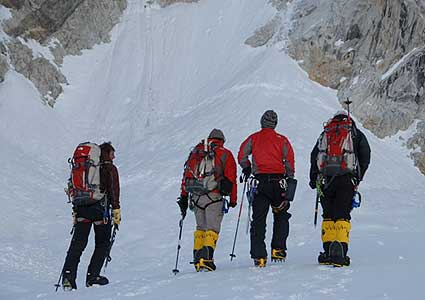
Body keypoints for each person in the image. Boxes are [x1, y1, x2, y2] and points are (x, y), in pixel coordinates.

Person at [309, 111, 370, 267]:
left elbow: (314, 155)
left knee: (328, 215)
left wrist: (313, 178)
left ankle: (328, 251)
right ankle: (340, 252)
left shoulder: (326, 133)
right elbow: (365, 155)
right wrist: (358, 176)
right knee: (342, 214)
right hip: (346, 179)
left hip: (325, 180)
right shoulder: (354, 133)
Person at [238, 110, 295, 267]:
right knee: (281, 215)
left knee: (259, 219)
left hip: (260, 183)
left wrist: (247, 167)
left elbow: (242, 155)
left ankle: (259, 256)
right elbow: (289, 160)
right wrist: (289, 177)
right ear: (275, 124)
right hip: (278, 182)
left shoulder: (254, 138)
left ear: (262, 122)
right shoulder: (282, 140)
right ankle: (278, 249)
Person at [62, 142, 121, 290]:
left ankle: (68, 277)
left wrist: (76, 209)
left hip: (82, 209)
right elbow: (113, 190)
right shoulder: (109, 168)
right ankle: (93, 277)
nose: (114, 156)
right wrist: (116, 210)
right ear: (107, 153)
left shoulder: (85, 168)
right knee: (102, 243)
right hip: (100, 210)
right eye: (113, 153)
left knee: (78, 244)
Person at [178, 129, 237, 272]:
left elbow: (186, 175)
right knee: (212, 228)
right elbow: (231, 178)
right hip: (214, 196)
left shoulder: (197, 152)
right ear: (222, 140)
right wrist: (233, 199)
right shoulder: (225, 153)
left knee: (200, 229)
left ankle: (198, 260)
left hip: (196, 196)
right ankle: (207, 259)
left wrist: (184, 197)